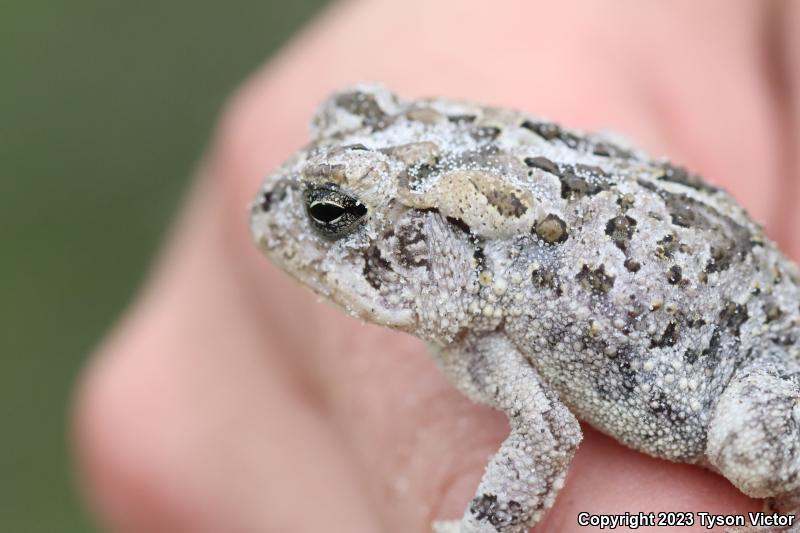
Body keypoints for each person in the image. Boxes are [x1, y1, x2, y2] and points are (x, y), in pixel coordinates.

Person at [74, 1, 800, 531]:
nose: (289, 209)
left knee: (757, 452)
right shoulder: (481, 291)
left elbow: (545, 430)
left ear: (428, 241)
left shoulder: (491, 300)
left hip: (751, 351)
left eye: (333, 215)